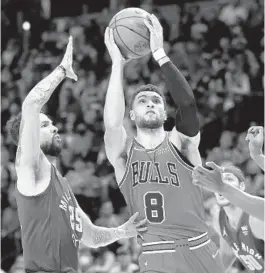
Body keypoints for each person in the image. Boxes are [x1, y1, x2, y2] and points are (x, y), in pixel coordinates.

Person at [6, 37, 147, 273]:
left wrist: (122, 231)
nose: (54, 127)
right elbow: (31, 104)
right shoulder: (30, 168)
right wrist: (62, 70)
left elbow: (91, 236)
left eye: (51, 123)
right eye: (44, 125)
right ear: (27, 136)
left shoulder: (60, 184)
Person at [103, 14, 224, 273]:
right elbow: (112, 125)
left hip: (198, 248)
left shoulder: (182, 143)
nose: (150, 103)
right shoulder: (124, 154)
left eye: (156, 101)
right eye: (143, 100)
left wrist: (159, 53)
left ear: (165, 114)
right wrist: (117, 65)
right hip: (155, 256)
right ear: (132, 114)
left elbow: (188, 104)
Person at [192, 164, 264, 272]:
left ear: (242, 186)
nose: (221, 184)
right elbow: (227, 254)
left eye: (229, 179)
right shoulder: (219, 219)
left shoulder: (255, 220)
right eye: (218, 181)